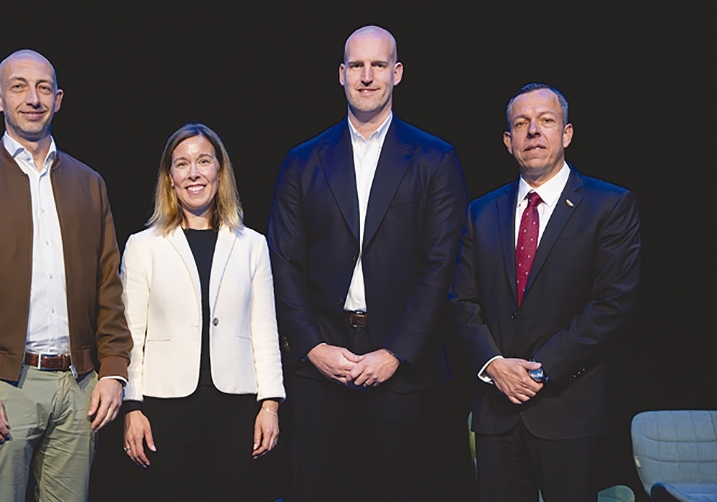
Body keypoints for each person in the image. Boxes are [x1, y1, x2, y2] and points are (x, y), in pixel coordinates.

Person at [267, 25, 468, 501]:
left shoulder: (436, 158)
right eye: (356, 65)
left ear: (396, 73)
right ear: (341, 74)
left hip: (400, 365)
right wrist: (313, 347)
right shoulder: (303, 161)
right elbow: (283, 262)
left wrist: (395, 352)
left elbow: (442, 263)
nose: (367, 76)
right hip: (319, 365)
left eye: (378, 65)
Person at [0, 49, 132, 501]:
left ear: (58, 99)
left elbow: (108, 285)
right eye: (19, 86)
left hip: (80, 384)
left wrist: (114, 371)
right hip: (5, 384)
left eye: (43, 88)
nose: (32, 98)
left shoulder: (88, 182)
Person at [448, 83, 642, 501]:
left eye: (546, 121)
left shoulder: (609, 206)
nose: (533, 131)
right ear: (508, 141)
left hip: (569, 412)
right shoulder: (481, 212)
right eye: (521, 124)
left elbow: (611, 305)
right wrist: (494, 365)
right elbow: (460, 302)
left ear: (567, 134)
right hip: (496, 412)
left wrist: (539, 369)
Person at [120, 123, 285, 501]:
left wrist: (270, 404)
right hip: (165, 408)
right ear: (170, 178)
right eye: (182, 164)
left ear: (219, 172)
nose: (194, 172)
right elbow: (130, 333)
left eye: (204, 161)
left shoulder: (252, 245)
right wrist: (132, 407)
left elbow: (264, 330)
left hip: (237, 408)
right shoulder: (143, 246)